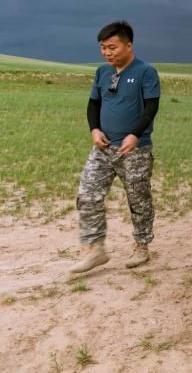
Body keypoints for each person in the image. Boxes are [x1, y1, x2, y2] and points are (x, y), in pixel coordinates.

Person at [69, 21, 161, 275]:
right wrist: (94, 130)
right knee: (87, 194)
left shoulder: (146, 72)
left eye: (112, 47)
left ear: (128, 45)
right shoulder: (102, 72)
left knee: (138, 200)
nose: (107, 53)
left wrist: (135, 134)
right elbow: (93, 104)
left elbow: (151, 107)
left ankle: (142, 246)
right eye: (103, 48)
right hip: (103, 147)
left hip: (135, 149)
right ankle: (95, 248)